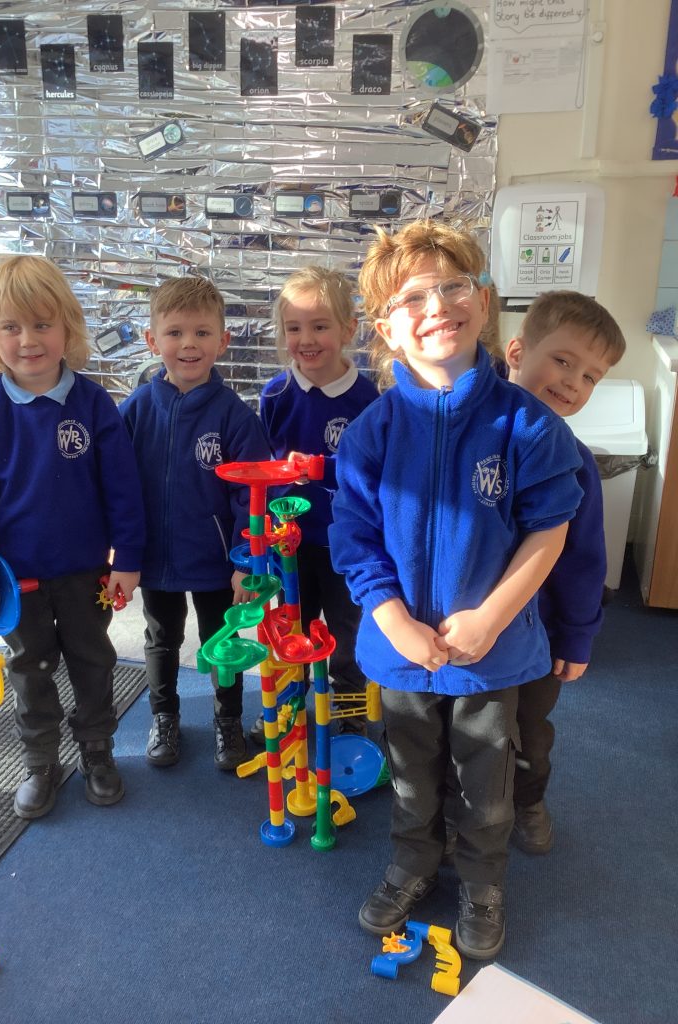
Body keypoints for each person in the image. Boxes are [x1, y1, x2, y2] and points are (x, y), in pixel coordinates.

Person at [329, 221, 583, 960]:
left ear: (484, 300)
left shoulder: (528, 425)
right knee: (411, 770)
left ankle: (482, 880)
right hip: (401, 648)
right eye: (413, 297)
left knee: (486, 778)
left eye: (453, 286)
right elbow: (354, 539)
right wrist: (396, 622)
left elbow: (549, 533)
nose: (437, 305)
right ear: (386, 329)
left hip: (490, 652)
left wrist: (491, 619)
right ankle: (413, 862)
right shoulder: (371, 433)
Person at [0, 255, 144, 820]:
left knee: (92, 660)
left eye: (41, 324)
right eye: (11, 327)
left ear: (67, 326)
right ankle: (40, 762)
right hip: (17, 580)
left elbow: (123, 491)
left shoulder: (93, 404)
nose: (28, 340)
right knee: (29, 668)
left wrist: (127, 559)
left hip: (86, 573)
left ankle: (97, 750)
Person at [119, 276, 270, 772]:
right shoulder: (135, 411)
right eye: (175, 332)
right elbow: (114, 485)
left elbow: (253, 496)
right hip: (155, 558)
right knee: (161, 639)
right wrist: (119, 550)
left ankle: (228, 720)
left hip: (216, 562)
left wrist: (246, 561)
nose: (189, 344)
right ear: (152, 340)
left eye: (202, 333)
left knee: (221, 643)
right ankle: (164, 717)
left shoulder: (235, 417)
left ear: (222, 341)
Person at [503, 290, 626, 853]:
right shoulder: (465, 442)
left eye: (591, 376)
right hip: (463, 629)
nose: (574, 382)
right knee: (464, 732)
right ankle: (459, 813)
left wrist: (577, 636)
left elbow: (583, 562)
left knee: (530, 731)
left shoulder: (576, 462)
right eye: (563, 360)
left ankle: (528, 801)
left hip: (540, 634)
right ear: (517, 352)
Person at [249, 267, 378, 744]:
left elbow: (373, 469)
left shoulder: (367, 397)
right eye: (294, 327)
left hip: (345, 538)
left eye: (319, 326)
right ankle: (289, 704)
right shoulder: (276, 394)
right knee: (293, 625)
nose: (306, 339)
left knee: (346, 627)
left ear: (348, 329)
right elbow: (265, 463)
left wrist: (321, 467)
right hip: (291, 543)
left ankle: (350, 710)